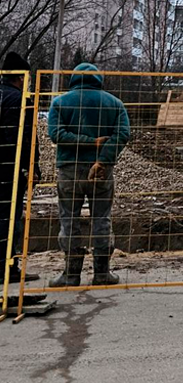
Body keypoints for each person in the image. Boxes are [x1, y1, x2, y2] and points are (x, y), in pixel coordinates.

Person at [47, 63, 130, 287]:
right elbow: (123, 134)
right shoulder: (115, 103)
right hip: (101, 172)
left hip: (69, 170)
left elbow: (56, 135)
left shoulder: (60, 102)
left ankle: (71, 274)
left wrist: (84, 142)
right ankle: (102, 273)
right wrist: (102, 159)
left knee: (69, 220)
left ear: (74, 79)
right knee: (101, 219)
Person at [1, 52, 32, 284]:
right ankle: (8, 268)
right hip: (9, 169)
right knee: (10, 217)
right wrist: (28, 166)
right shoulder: (19, 99)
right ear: (20, 77)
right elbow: (21, 137)